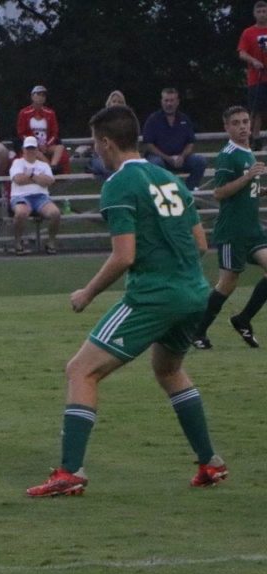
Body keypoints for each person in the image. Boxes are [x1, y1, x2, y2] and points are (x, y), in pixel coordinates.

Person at [26, 106, 226, 497]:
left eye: (95, 143)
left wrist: (87, 293)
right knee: (169, 371)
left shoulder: (118, 184)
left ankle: (70, 472)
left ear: (105, 142)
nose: (95, 151)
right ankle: (210, 463)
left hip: (155, 297)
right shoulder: (168, 177)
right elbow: (201, 242)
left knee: (81, 370)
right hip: (195, 293)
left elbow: (124, 256)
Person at [193, 106, 267, 350]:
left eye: (246, 121)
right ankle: (197, 331)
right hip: (233, 231)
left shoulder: (248, 151)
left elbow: (246, 189)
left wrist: (259, 189)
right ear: (227, 127)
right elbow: (219, 192)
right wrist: (247, 178)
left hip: (251, 229)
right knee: (227, 283)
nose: (243, 126)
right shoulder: (228, 154)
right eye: (236, 123)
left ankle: (243, 318)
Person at [142, 88, 206, 191]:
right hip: (160, 158)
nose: (169, 104)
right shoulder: (153, 120)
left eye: (172, 100)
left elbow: (190, 143)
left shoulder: (184, 119)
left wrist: (182, 156)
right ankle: (167, 195)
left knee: (200, 161)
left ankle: (188, 193)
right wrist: (168, 158)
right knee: (156, 163)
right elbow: (148, 145)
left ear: (177, 102)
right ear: (161, 102)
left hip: (180, 159)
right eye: (166, 100)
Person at [9, 136, 61, 255]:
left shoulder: (44, 165)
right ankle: (18, 243)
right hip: (20, 196)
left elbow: (49, 181)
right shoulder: (17, 162)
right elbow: (18, 179)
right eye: (28, 148)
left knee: (55, 213)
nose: (30, 151)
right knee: (21, 213)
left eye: (32, 148)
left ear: (37, 150)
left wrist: (31, 176)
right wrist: (38, 178)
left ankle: (51, 242)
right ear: (23, 149)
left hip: (41, 197)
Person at [16, 85, 69, 174]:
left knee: (60, 148)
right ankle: (50, 169)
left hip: (46, 144)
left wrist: (46, 144)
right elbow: (21, 132)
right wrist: (35, 144)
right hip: (31, 144)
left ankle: (53, 165)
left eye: (43, 95)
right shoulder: (24, 113)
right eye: (38, 94)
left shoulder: (50, 113)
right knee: (36, 152)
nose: (41, 97)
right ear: (32, 96)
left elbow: (54, 132)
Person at [238, 1, 267, 148]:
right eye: (259, 11)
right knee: (256, 109)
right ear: (255, 14)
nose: (262, 14)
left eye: (264, 11)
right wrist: (253, 61)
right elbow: (242, 52)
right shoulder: (248, 32)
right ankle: (255, 138)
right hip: (257, 77)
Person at [88, 91, 128, 179]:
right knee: (110, 169)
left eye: (120, 102)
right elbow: (96, 141)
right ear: (109, 103)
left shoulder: (128, 122)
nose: (116, 104)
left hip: (121, 156)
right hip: (101, 156)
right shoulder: (99, 120)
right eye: (114, 101)